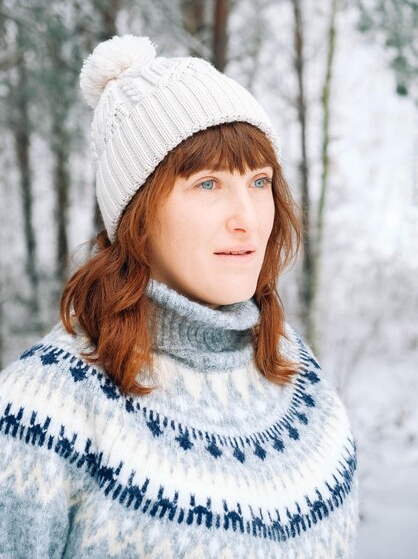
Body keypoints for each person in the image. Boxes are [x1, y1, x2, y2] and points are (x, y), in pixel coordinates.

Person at [0, 35, 358, 558]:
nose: (248, 220)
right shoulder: (40, 413)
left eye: (259, 183)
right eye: (208, 185)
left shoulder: (297, 373)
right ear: (137, 214)